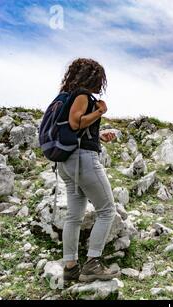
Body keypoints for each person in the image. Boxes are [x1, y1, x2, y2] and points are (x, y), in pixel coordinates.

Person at [57, 58, 120, 283]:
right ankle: (93, 264)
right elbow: (76, 123)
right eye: (99, 78)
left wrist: (98, 135)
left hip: (66, 162)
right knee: (107, 210)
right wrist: (100, 111)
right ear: (93, 77)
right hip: (83, 160)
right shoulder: (82, 95)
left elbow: (73, 129)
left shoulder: (68, 97)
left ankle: (71, 267)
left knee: (74, 216)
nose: (100, 83)